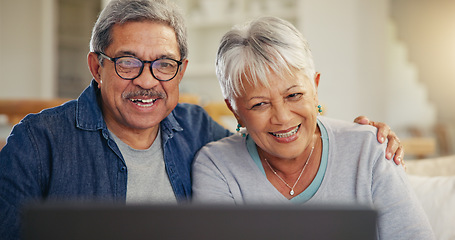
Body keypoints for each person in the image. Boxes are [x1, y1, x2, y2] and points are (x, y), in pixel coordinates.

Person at [0, 0, 401, 239]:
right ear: (96, 66)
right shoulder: (37, 142)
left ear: (181, 69)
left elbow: (269, 132)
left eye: (163, 64)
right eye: (127, 63)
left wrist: (360, 135)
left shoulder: (200, 133)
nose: (146, 80)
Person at [191, 16, 434, 239]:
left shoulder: (371, 150)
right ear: (235, 111)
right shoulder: (216, 167)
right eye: (260, 104)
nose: (283, 118)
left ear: (315, 89)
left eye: (294, 95)